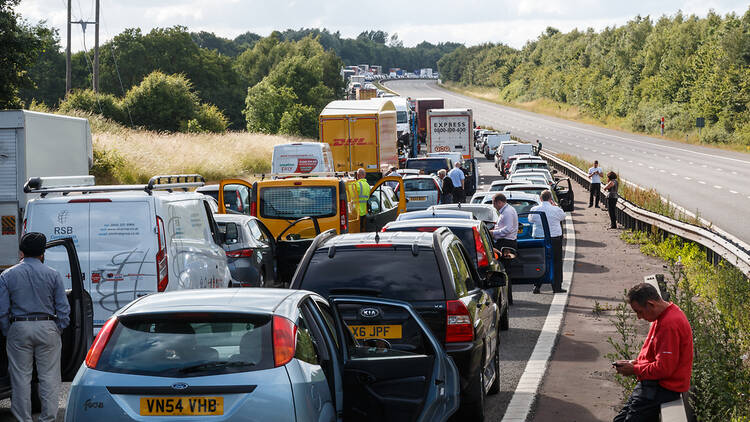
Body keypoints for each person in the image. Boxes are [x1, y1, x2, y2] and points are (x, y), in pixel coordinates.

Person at [0, 232, 70, 422]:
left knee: (21, 377)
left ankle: (24, 419)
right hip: (47, 326)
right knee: (49, 377)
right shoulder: (53, 275)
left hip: (19, 327)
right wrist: (58, 327)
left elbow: (2, 310)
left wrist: (9, 331)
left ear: (21, 252)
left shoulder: (7, 275)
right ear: (42, 253)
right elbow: (63, 308)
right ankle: (47, 418)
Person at [613, 283, 693, 422]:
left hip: (662, 388)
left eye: (639, 312)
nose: (639, 317)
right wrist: (636, 363)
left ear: (651, 304)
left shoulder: (669, 324)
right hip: (654, 385)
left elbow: (664, 368)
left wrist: (635, 369)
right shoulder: (663, 315)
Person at [528, 190, 567, 294]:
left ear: (540, 199)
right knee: (556, 263)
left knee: (539, 262)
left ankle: (537, 286)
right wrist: (555, 205)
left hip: (539, 239)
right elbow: (563, 216)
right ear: (551, 199)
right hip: (554, 239)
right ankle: (556, 287)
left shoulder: (534, 209)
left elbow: (530, 220)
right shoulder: (556, 209)